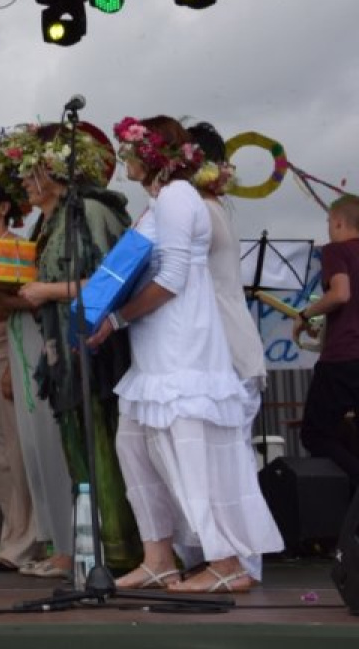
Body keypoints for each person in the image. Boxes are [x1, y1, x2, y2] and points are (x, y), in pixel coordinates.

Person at [91, 115, 281, 594]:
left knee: (192, 454)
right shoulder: (161, 200)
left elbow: (173, 278)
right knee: (135, 447)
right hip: (155, 349)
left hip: (183, 346)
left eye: (129, 150)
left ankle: (227, 561)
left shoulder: (178, 195)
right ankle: (159, 558)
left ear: (151, 153)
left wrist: (116, 319)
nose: (124, 160)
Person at [9, 122, 142, 572]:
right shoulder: (46, 224)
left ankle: (123, 553)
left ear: (54, 168)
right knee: (78, 452)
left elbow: (113, 280)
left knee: (105, 448)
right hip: (63, 355)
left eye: (31, 170)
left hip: (98, 352)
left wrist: (47, 292)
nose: (24, 181)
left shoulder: (93, 211)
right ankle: (90, 552)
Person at [0, 158, 71, 577]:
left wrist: (12, 364)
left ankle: (27, 542)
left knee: (21, 455)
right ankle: (13, 536)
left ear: (4, 207)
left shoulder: (19, 248)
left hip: (11, 358)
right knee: (0, 460)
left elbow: (27, 307)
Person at [184, 121, 269, 582]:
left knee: (227, 466)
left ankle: (237, 563)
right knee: (223, 463)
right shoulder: (210, 208)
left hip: (228, 353)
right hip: (228, 349)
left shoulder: (200, 211)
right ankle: (226, 559)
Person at [294, 194, 359, 487]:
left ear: (338, 222)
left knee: (314, 434)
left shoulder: (336, 251)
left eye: (328, 222)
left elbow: (340, 294)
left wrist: (305, 314)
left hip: (344, 359)